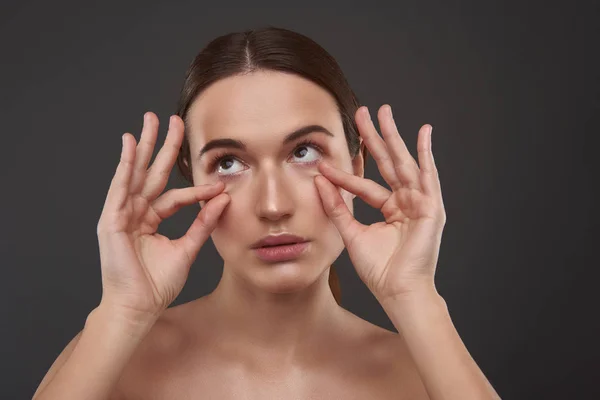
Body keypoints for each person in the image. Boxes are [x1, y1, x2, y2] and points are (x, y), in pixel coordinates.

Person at [32, 26, 501, 399]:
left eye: (304, 152)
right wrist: (122, 313)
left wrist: (416, 298)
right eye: (229, 163)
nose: (273, 206)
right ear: (194, 182)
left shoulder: (424, 377)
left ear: (356, 167)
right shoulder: (114, 361)